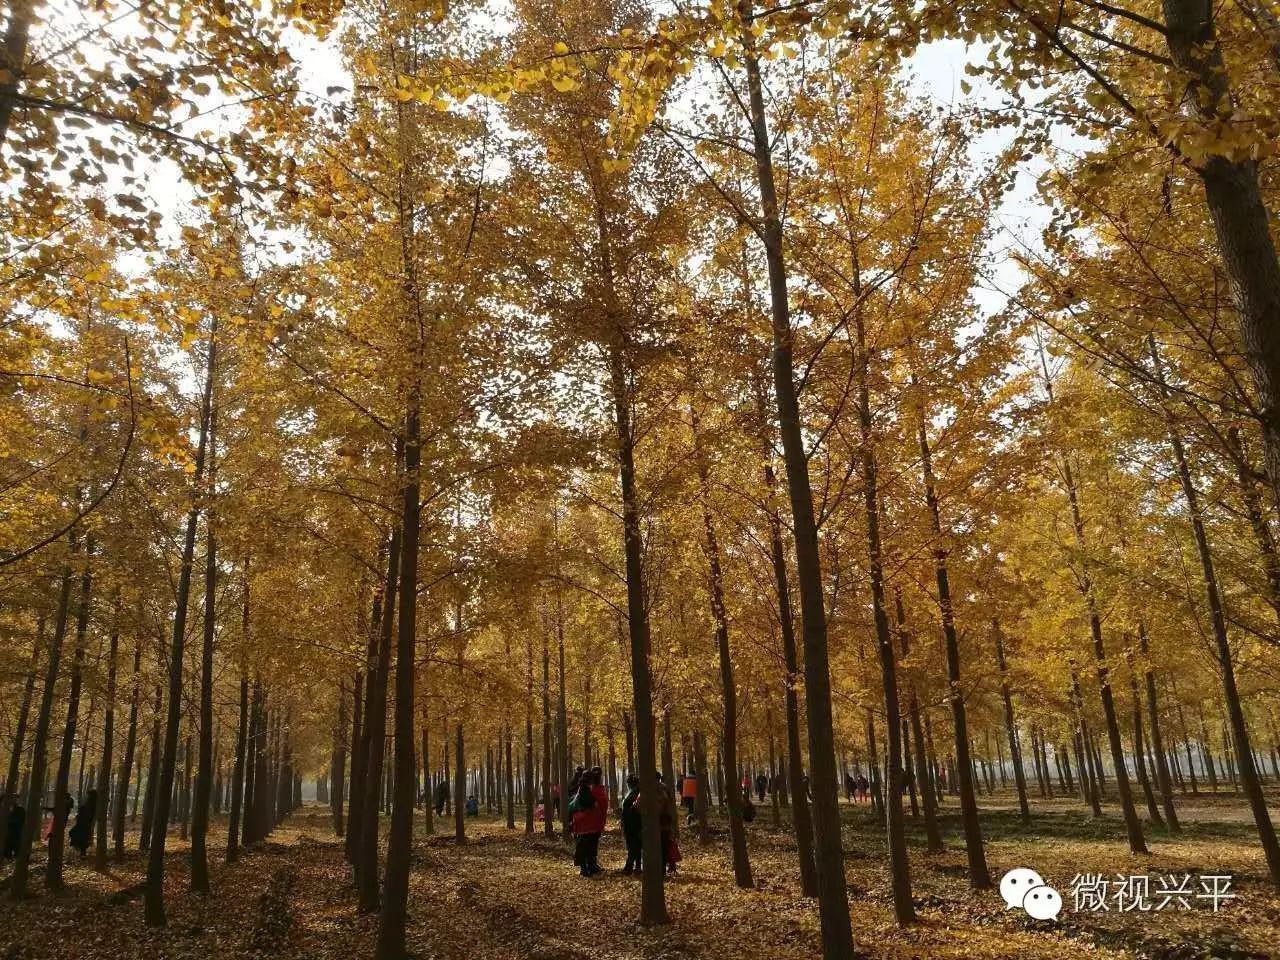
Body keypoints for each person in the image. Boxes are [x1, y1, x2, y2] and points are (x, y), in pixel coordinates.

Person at [569, 767, 608, 877]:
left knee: (587, 846)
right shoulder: (589, 790)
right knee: (587, 846)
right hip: (587, 824)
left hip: (586, 824)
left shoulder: (585, 789)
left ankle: (589, 866)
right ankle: (587, 867)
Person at [620, 774, 642, 874]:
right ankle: (637, 866)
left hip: (632, 823)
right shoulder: (633, 792)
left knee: (633, 845)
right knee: (635, 845)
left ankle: (629, 866)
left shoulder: (635, 793)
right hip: (631, 822)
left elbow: (632, 809)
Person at [68, 789, 96, 857]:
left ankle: (82, 852)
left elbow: (88, 812)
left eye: (89, 794)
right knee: (75, 833)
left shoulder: (92, 802)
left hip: (84, 822)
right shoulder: (90, 802)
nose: (88, 795)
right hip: (82, 821)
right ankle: (81, 851)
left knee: (79, 835)